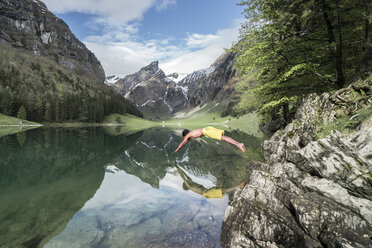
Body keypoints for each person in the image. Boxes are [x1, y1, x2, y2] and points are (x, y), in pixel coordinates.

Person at [174, 126, 246, 153]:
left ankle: (238, 144)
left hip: (207, 131)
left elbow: (182, 142)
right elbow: (185, 142)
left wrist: (177, 149)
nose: (185, 139)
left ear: (185, 135)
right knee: (223, 138)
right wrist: (182, 147)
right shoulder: (191, 133)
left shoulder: (189, 135)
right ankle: (238, 144)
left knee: (222, 138)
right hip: (208, 128)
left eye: (184, 137)